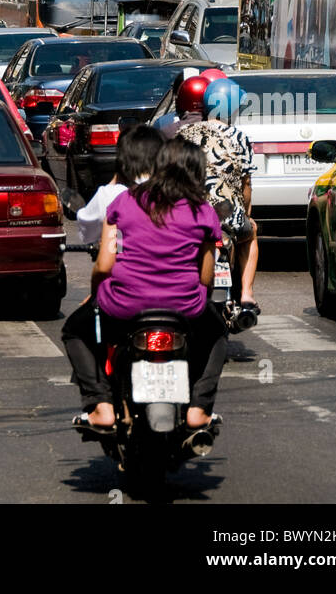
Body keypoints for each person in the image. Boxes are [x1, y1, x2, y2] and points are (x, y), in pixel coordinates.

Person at [64, 137, 227, 435]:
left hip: (124, 306)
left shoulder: (124, 201)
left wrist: (97, 295)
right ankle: (199, 408)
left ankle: (100, 405)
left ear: (157, 166)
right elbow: (206, 277)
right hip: (184, 309)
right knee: (217, 334)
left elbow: (103, 265)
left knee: (75, 330)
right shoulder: (203, 211)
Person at [176, 77, 259, 316]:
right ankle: (246, 293)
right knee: (251, 234)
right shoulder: (239, 138)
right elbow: (246, 186)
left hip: (192, 215)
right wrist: (245, 214)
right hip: (228, 216)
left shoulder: (184, 134)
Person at [75, 123, 164, 246]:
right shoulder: (175, 193)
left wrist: (115, 179)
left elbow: (86, 232)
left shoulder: (110, 195)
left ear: (122, 159)